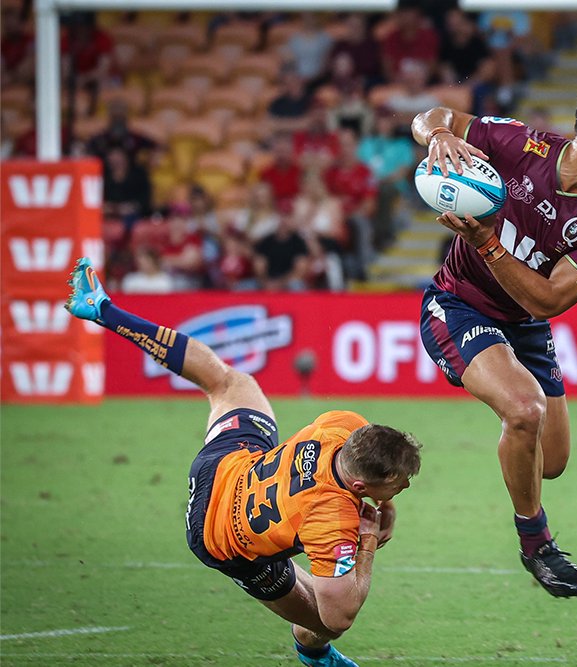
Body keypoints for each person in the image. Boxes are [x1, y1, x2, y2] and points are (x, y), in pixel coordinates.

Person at [64, 257, 422, 667]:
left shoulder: (343, 427)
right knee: (325, 622)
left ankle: (104, 310)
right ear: (360, 487)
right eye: (399, 483)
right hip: (220, 538)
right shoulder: (333, 523)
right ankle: (315, 656)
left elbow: (364, 472)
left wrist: (386, 501)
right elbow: (339, 614)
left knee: (228, 382)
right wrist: (369, 543)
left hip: (224, 465)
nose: (405, 487)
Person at [410, 74, 577, 597]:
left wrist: (490, 243)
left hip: (526, 320)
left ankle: (513, 442)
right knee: (523, 410)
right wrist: (439, 136)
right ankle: (536, 545)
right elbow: (432, 115)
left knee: (554, 461)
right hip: (458, 303)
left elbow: (546, 301)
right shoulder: (523, 145)